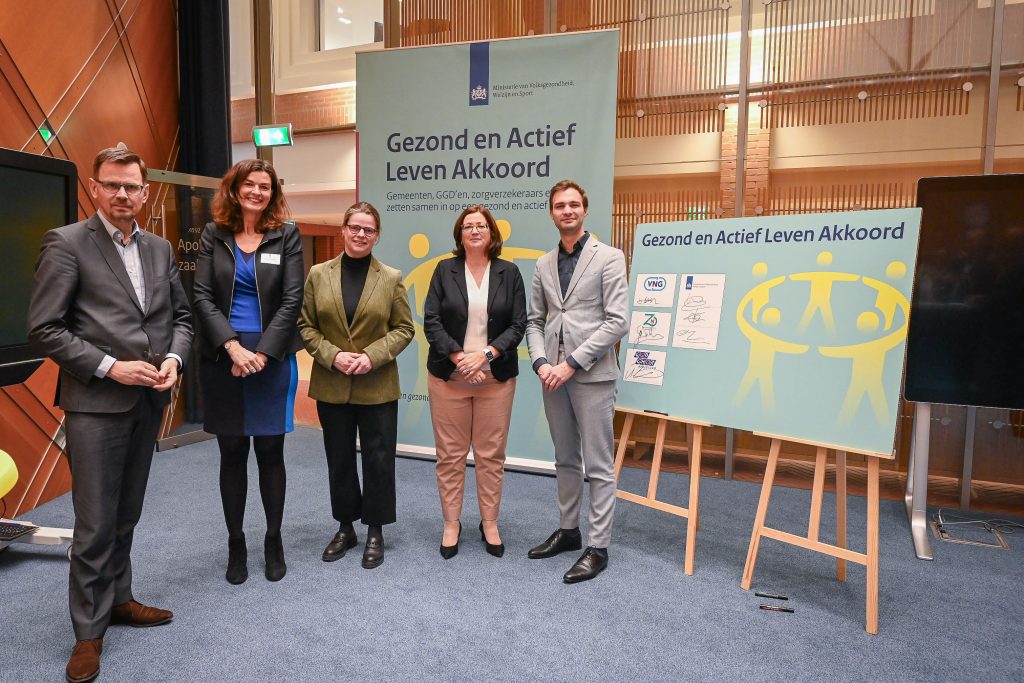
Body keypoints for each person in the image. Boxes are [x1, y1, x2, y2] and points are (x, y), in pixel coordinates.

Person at [28, 147, 193, 683]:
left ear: (146, 193)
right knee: (95, 523)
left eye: (132, 187)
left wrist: (172, 358)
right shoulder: (67, 243)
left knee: (126, 514)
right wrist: (108, 367)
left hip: (148, 401)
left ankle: (119, 600)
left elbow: (181, 318)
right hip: (95, 405)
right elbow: (46, 328)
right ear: (95, 188)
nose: (123, 195)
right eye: (113, 185)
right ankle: (87, 634)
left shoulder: (161, 248)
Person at [192, 159, 304, 585]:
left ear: (273, 192)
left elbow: (292, 300)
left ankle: (272, 539)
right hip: (224, 356)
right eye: (250, 185)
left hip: (271, 358)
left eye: (266, 186)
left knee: (271, 454)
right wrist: (234, 348)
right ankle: (236, 542)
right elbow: (201, 296)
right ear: (235, 189)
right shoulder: (213, 235)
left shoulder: (286, 235)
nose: (258, 191)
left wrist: (262, 353)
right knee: (232, 453)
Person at [298, 202, 415, 569]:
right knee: (340, 458)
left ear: (377, 235)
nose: (361, 234)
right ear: (343, 230)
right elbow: (306, 326)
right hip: (332, 384)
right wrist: (333, 355)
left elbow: (404, 328)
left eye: (368, 229)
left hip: (377, 384)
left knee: (379, 459)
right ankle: (346, 527)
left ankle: (375, 529)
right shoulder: (318, 274)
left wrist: (371, 356)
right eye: (355, 227)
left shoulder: (391, 277)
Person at [524, 179, 628, 584]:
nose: (566, 211)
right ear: (551, 213)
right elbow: (535, 320)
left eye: (573, 204)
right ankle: (569, 532)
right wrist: (540, 362)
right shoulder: (543, 263)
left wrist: (572, 363)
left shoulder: (610, 257)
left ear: (584, 209)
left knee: (599, 465)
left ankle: (598, 547)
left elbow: (618, 321)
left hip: (592, 376)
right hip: (552, 377)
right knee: (565, 458)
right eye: (559, 206)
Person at [423, 205, 526, 559]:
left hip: (494, 377)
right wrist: (458, 357)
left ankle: (490, 521)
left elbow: (518, 325)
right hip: (449, 376)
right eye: (468, 225)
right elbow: (431, 320)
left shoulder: (509, 273)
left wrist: (485, 356)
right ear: (460, 234)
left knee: (490, 455)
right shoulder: (443, 270)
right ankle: (452, 522)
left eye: (481, 225)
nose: (475, 230)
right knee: (450, 456)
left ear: (492, 233)